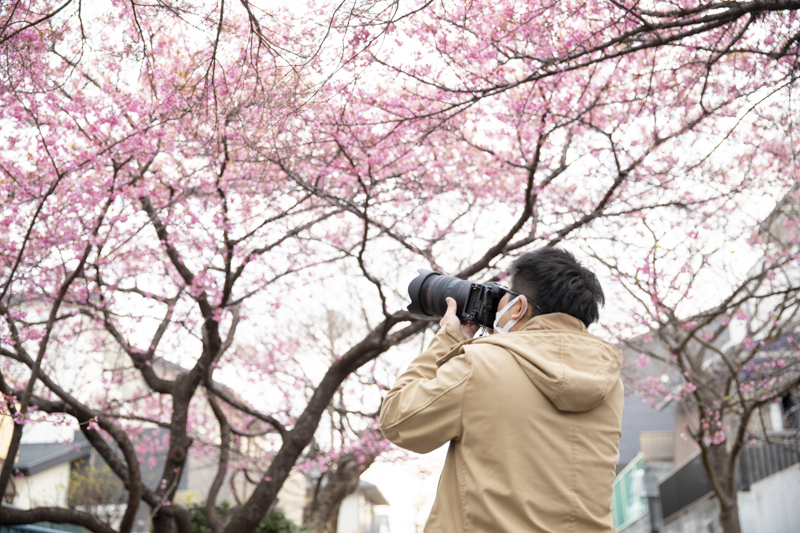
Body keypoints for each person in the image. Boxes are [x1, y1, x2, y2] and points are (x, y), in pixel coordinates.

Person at [379, 248, 623, 532]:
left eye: (504, 296)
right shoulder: (608, 380)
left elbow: (398, 420)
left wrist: (448, 338)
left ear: (519, 307)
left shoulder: (480, 364)